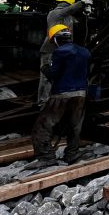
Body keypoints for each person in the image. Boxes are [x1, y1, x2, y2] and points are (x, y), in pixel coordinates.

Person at [32, 24, 91, 165]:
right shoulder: (84, 52)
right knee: (75, 125)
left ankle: (46, 157)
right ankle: (72, 154)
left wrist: (45, 68)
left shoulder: (59, 53)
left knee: (43, 126)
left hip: (62, 94)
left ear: (56, 40)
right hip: (81, 93)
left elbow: (54, 74)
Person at [38, 0, 93, 106]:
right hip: (50, 50)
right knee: (46, 78)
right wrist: (82, 3)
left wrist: (85, 13)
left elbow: (79, 23)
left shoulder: (69, 17)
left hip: (63, 51)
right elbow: (67, 10)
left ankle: (54, 99)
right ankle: (43, 102)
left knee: (60, 75)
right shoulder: (54, 13)